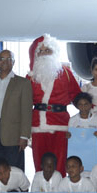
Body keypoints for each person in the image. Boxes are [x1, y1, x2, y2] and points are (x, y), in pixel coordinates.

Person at [27, 34, 80, 174]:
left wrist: (91, 113)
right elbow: (24, 103)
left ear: (54, 52)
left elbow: (77, 96)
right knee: (39, 162)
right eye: (41, 51)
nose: (44, 54)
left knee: (60, 161)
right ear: (36, 54)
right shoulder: (31, 77)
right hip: (38, 125)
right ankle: (41, 191)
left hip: (61, 124)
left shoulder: (66, 73)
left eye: (48, 50)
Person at [0, 49, 32, 170]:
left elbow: (26, 111)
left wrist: (24, 136)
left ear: (13, 62)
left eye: (8, 59)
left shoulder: (23, 83)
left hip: (14, 134)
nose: (4, 61)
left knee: (15, 169)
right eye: (1, 59)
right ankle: (1, 189)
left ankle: (17, 190)